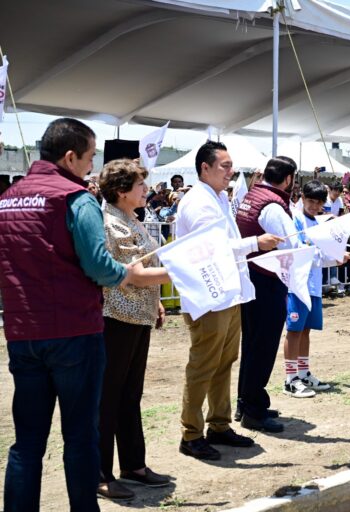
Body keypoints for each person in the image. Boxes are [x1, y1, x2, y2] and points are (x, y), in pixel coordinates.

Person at [0, 117, 161, 512]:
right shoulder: (75, 199)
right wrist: (126, 274)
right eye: (89, 158)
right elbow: (99, 265)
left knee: (27, 443)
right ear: (71, 156)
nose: (91, 167)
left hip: (24, 332)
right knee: (80, 436)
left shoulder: (7, 198)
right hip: (74, 331)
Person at [175, 141, 281, 461]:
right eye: (224, 165)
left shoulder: (219, 196)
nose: (230, 171)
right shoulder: (198, 202)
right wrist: (256, 243)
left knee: (223, 363)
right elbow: (216, 247)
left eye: (230, 165)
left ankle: (218, 424)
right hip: (209, 295)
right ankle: (190, 433)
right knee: (204, 365)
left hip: (227, 294)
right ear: (204, 168)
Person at [97, 159, 172, 500]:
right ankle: (100, 472)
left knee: (130, 394)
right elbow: (135, 274)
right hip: (117, 318)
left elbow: (145, 265)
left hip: (137, 316)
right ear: (122, 191)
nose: (146, 189)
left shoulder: (131, 219)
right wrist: (181, 273)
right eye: (140, 185)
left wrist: (155, 301)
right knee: (108, 397)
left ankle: (133, 465)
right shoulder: (111, 223)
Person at [236, 156, 299, 434]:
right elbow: (293, 243)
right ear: (288, 179)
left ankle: (245, 401)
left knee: (251, 344)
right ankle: (253, 409)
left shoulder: (252, 196)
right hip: (267, 280)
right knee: (262, 347)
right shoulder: (273, 207)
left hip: (252, 277)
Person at [284, 180, 346, 397]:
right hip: (297, 285)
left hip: (314, 286)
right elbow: (302, 250)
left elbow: (322, 254)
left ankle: (303, 372)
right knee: (294, 331)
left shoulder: (319, 224)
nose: (313, 206)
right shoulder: (296, 219)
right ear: (302, 198)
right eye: (309, 201)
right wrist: (325, 256)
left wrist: (339, 258)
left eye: (318, 203)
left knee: (306, 330)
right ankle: (290, 378)